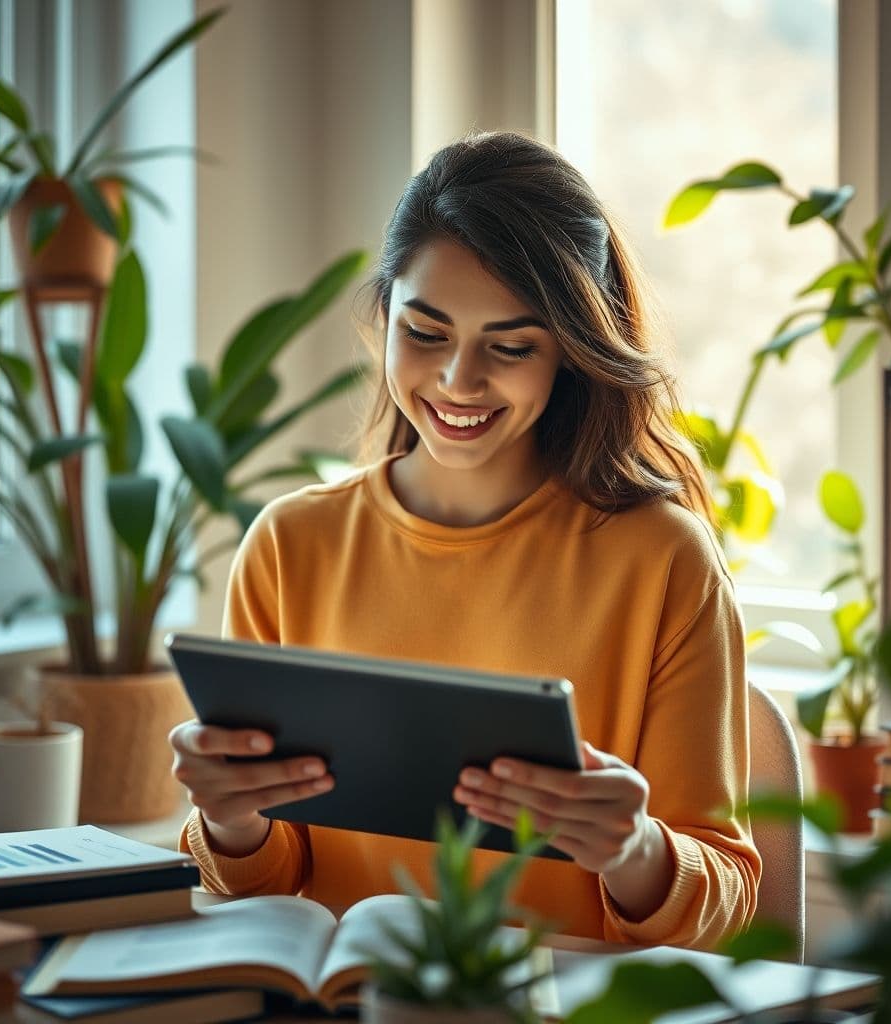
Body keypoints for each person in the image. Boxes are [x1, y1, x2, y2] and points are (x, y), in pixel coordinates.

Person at [170, 130, 761, 949]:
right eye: (425, 332)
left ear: (571, 353)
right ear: (384, 318)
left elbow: (724, 896)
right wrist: (228, 819)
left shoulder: (663, 560)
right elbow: (266, 883)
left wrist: (636, 849)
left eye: (511, 346)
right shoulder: (289, 547)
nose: (458, 381)